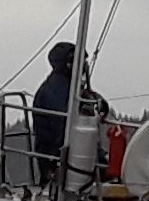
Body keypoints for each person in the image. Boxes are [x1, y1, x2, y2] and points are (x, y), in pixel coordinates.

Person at [28, 42, 103, 186]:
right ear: (68, 64)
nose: (84, 66)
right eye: (80, 61)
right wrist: (99, 156)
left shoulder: (71, 87)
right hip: (58, 159)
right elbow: (64, 128)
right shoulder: (54, 91)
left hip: (74, 158)